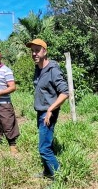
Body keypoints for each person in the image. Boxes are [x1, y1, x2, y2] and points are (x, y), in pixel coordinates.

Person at [26, 38, 68, 180]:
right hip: (40, 111)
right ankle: (47, 171)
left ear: (45, 51)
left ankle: (58, 177)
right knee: (45, 144)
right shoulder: (38, 68)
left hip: (48, 112)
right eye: (32, 51)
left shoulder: (53, 70)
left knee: (44, 148)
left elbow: (65, 93)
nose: (34, 53)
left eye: (37, 50)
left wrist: (50, 109)